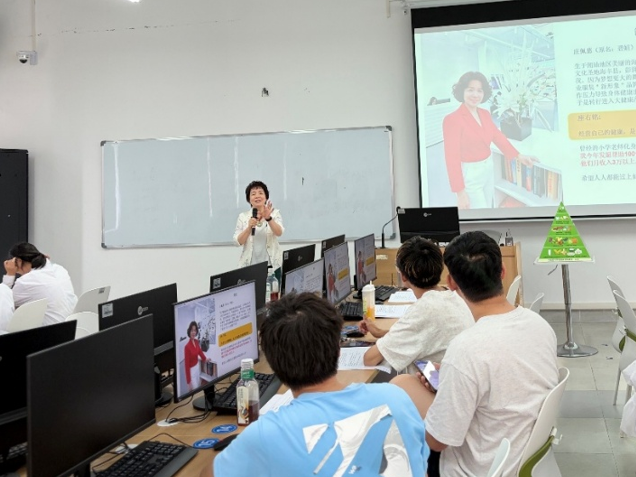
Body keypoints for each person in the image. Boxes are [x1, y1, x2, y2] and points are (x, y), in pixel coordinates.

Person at [205, 293, 430, 477]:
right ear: (338, 350)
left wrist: (242, 446)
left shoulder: (265, 435)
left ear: (273, 365)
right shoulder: (396, 398)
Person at [393, 231, 559, 477]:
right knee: (406, 384)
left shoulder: (466, 348)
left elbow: (437, 442)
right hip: (522, 455)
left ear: (451, 284)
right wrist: (450, 377)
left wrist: (412, 423)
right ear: (502, 271)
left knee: (398, 400)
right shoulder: (540, 326)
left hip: (475, 468)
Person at [360, 237, 473, 372]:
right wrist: (380, 333)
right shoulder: (453, 296)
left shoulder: (424, 310)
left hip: (434, 383)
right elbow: (419, 332)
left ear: (403, 276)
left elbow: (370, 359)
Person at [443, 71, 538, 209]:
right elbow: (452, 159)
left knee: (488, 207)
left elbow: (497, 136)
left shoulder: (485, 114)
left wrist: (519, 156)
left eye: (479, 91)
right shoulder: (452, 119)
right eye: (470, 90)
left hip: (488, 168)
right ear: (462, 91)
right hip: (471, 174)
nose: (475, 95)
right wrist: (460, 193)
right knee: (478, 213)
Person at [2, 242, 77, 326]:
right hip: (75, 328)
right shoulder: (60, 269)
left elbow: (3, 304)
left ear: (18, 261)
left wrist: (10, 274)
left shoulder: (26, 281)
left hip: (52, 330)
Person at [233, 181, 284, 273]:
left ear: (266, 197)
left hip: (272, 266)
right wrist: (249, 227)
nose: (257, 196)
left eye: (261, 193)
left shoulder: (274, 213)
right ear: (249, 199)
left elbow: (279, 232)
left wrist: (268, 218)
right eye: (253, 194)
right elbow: (238, 242)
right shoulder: (243, 217)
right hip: (249, 266)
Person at [184, 321, 211, 391]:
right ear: (189, 331)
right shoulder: (187, 347)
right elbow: (186, 365)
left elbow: (199, 352)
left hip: (197, 368)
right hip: (192, 371)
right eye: (192, 330)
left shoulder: (196, 341)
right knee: (195, 389)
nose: (193, 332)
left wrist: (205, 359)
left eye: (195, 330)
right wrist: (188, 382)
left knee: (198, 387)